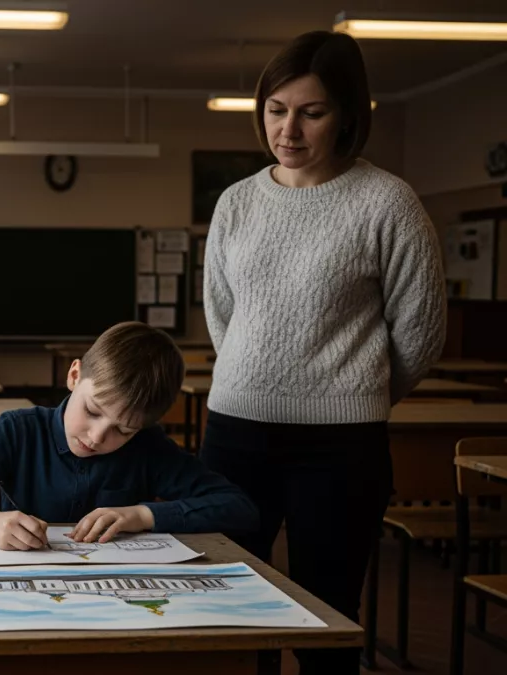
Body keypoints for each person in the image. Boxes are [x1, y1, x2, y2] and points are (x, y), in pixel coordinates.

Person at [201, 30, 446, 675]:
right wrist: (255, 378)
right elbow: (222, 313)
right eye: (276, 109)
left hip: (341, 445)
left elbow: (420, 331)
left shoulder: (387, 202)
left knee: (326, 615)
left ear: (348, 116)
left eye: (312, 112)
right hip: (235, 432)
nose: (289, 129)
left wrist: (352, 389)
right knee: (227, 606)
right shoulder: (238, 202)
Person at [0, 321, 259, 550]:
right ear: (74, 375)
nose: (96, 436)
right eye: (92, 411)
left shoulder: (148, 447)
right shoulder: (18, 432)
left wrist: (142, 515)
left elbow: (239, 509)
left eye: (122, 430)